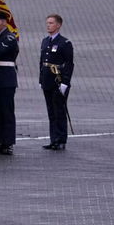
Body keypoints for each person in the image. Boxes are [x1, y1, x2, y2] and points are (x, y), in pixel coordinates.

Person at [39, 14, 74, 150]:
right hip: (47, 80)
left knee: (59, 111)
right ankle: (53, 139)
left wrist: (65, 83)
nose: (48, 25)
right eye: (47, 23)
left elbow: (69, 64)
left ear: (58, 25)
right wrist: (40, 79)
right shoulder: (45, 41)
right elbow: (42, 62)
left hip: (58, 80)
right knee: (51, 112)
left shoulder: (64, 43)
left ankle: (61, 139)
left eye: (51, 23)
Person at [0, 12, 19, 155]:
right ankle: (0, 141)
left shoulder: (10, 37)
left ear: (5, 23)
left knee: (6, 112)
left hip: (6, 79)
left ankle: (8, 143)